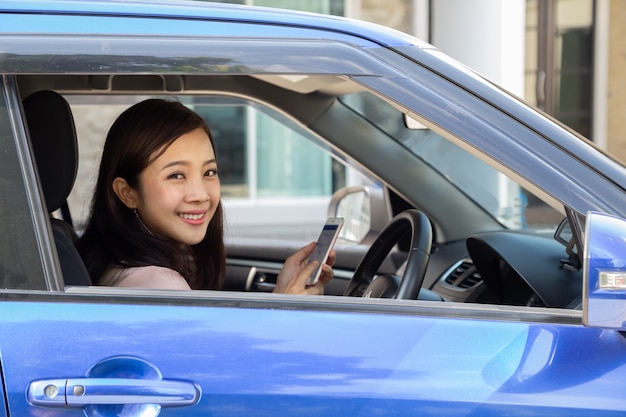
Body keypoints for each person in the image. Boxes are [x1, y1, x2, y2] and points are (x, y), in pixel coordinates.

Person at [77, 99, 334, 294]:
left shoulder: (120, 265)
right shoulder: (159, 285)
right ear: (127, 193)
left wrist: (282, 296)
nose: (201, 195)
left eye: (209, 172)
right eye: (176, 175)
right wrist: (287, 313)